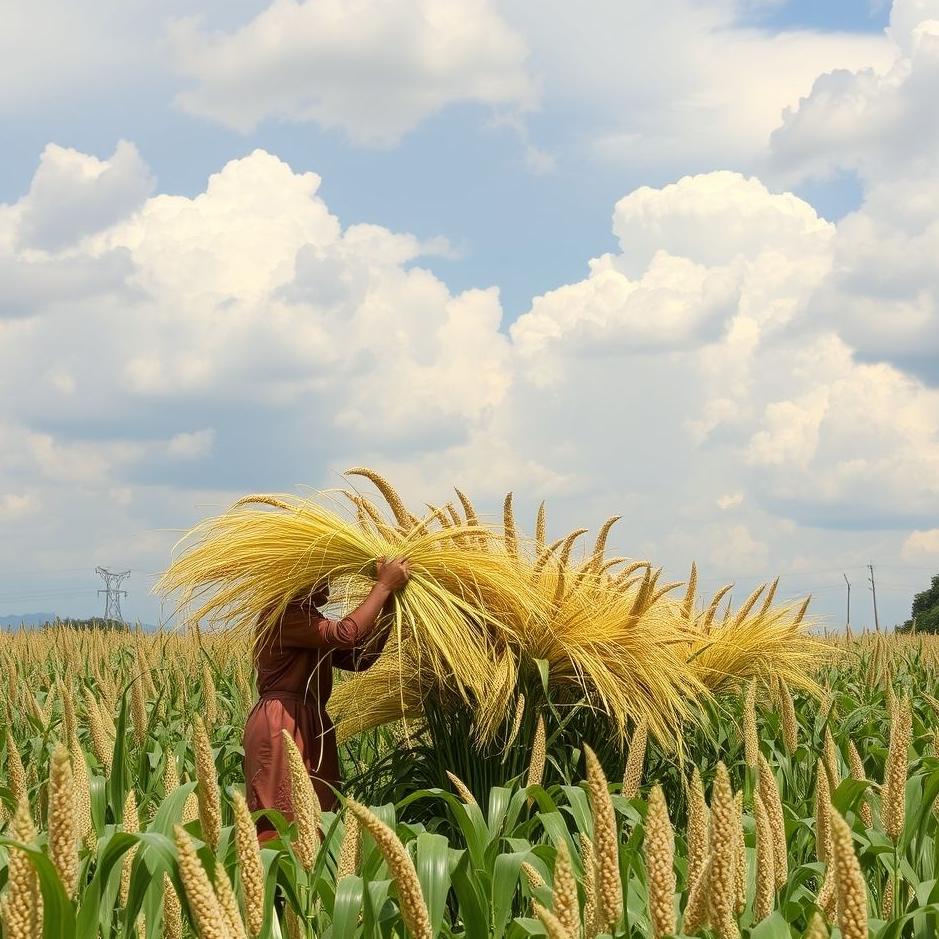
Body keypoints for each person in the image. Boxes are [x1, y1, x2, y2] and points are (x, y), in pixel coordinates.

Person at [243, 556, 410, 841]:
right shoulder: (283, 614)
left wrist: (390, 603)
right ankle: (274, 884)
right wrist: (382, 587)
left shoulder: (309, 620)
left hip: (309, 722)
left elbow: (361, 659)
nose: (329, 581)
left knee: (318, 820)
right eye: (323, 574)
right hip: (282, 723)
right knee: (282, 823)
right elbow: (346, 634)